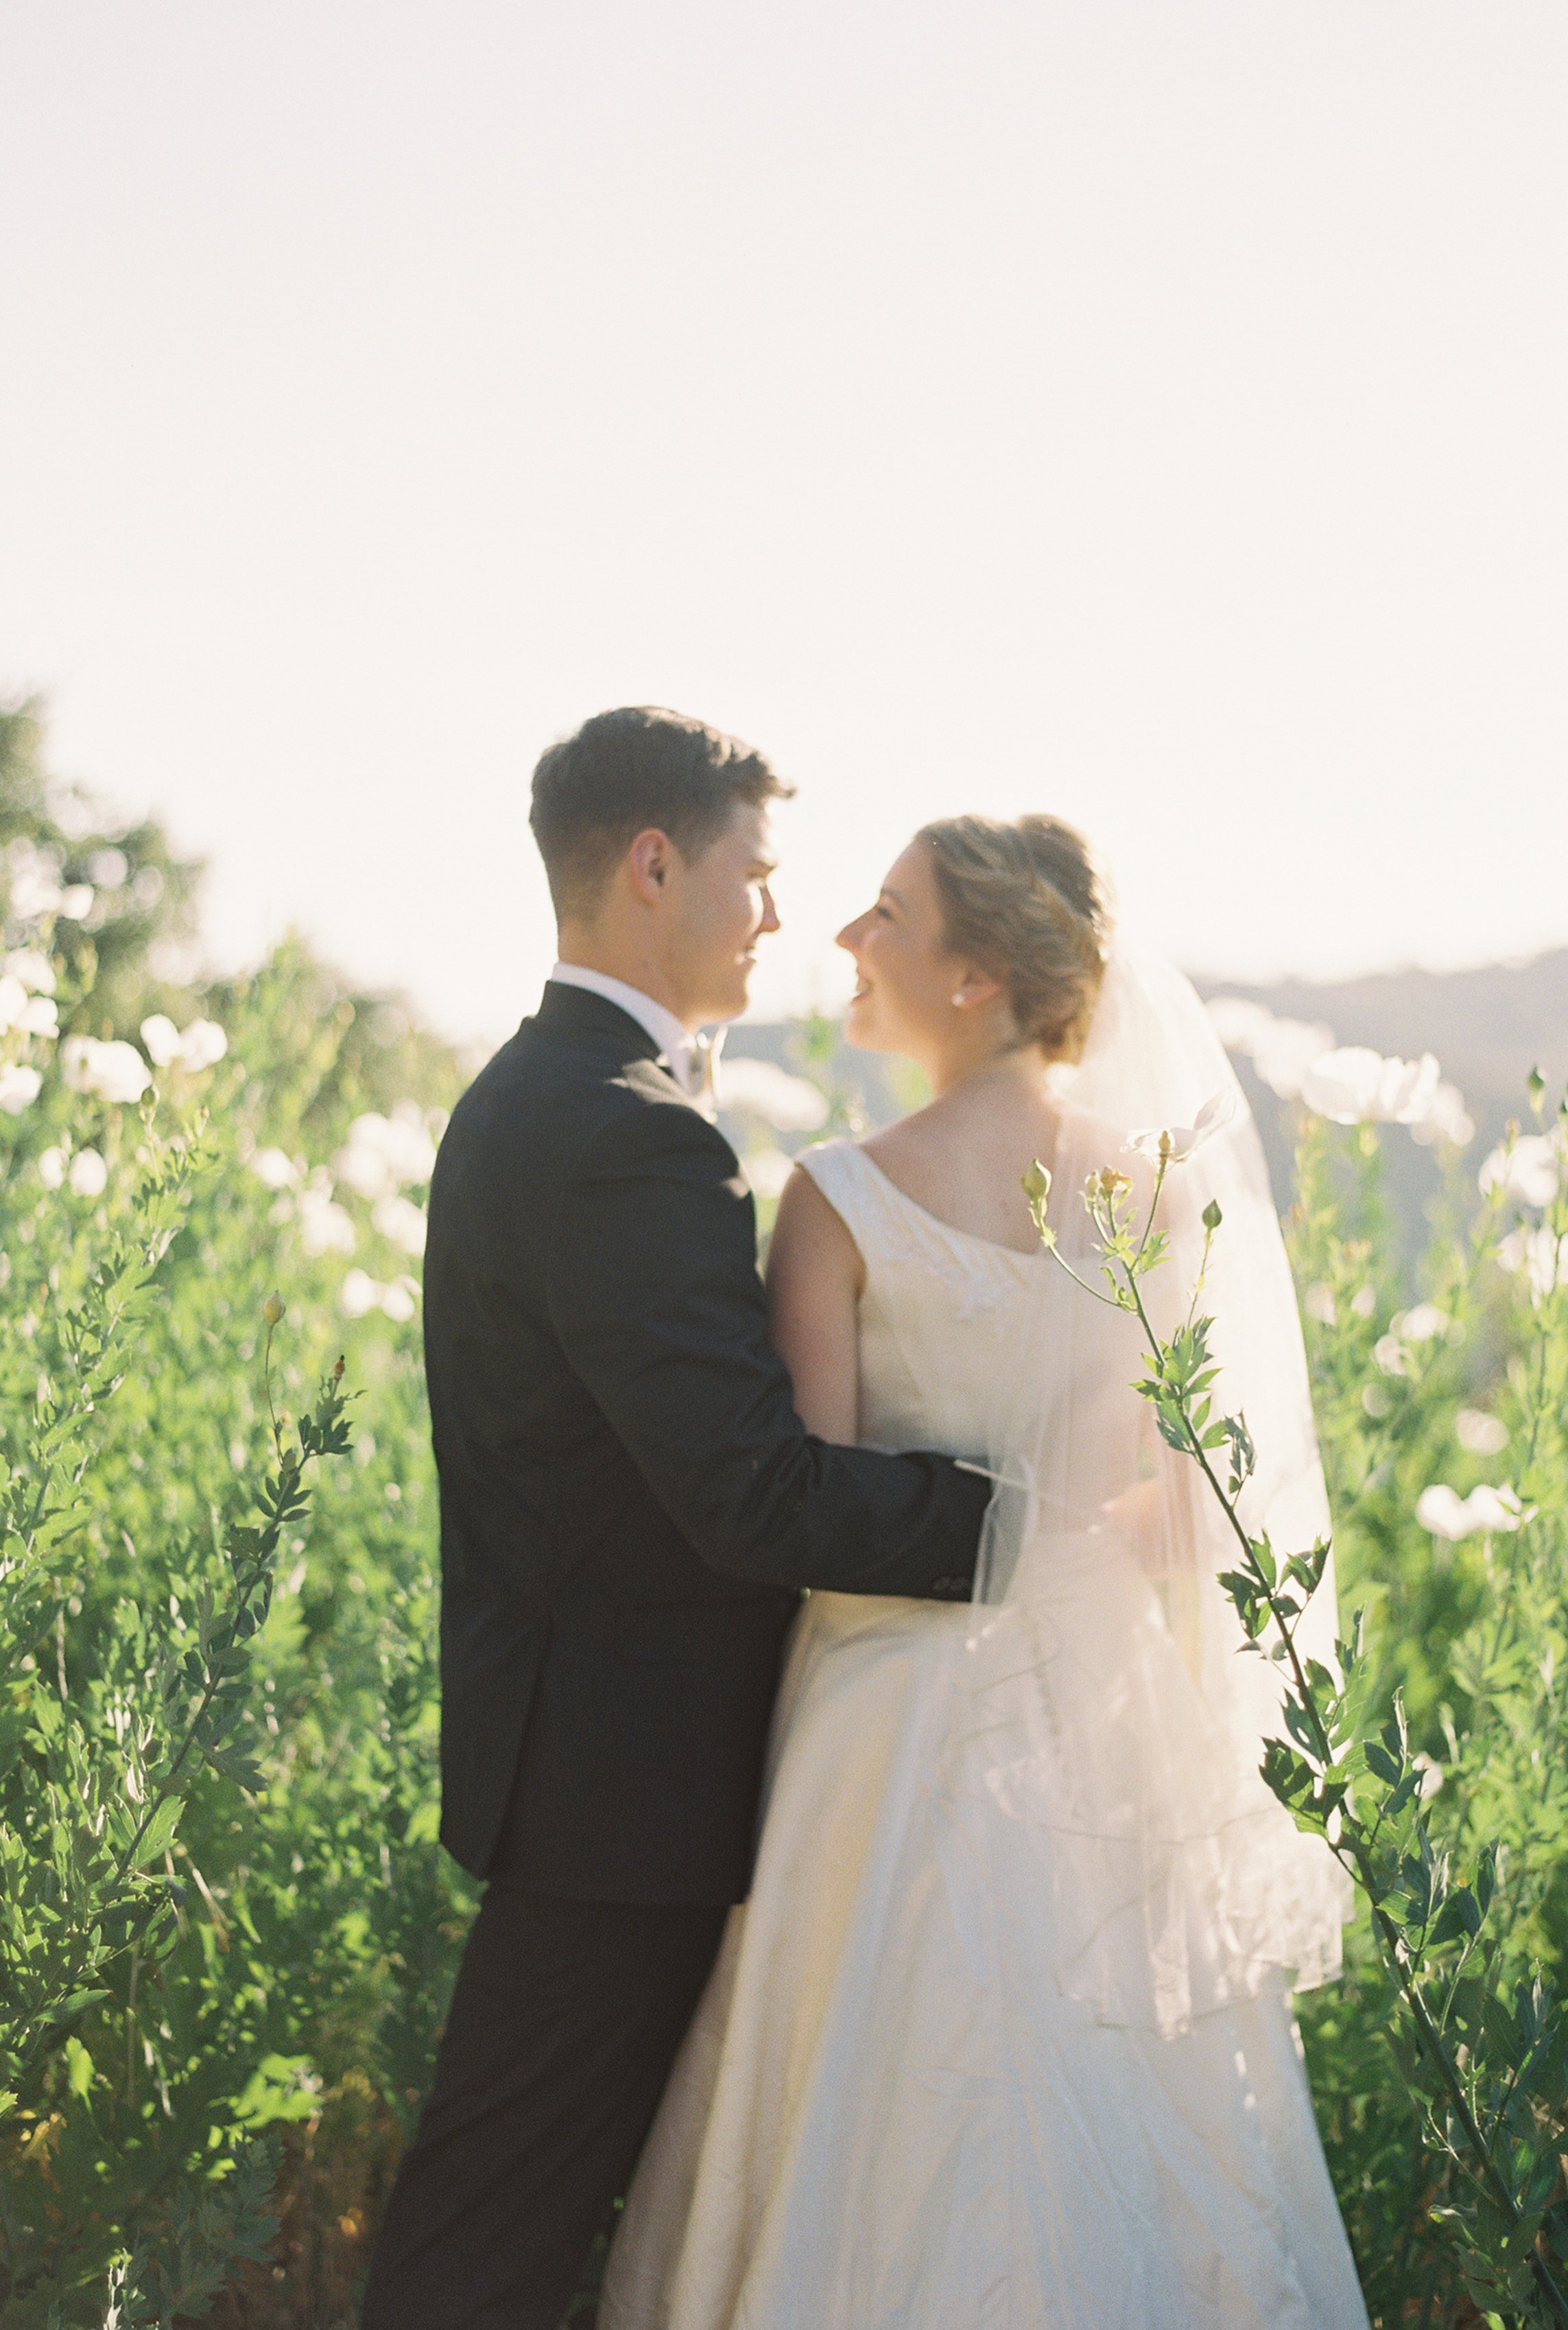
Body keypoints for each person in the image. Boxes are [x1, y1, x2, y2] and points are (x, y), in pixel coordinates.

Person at [599, 814, 1370, 2329]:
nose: (843, 939)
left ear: (970, 976)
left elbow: (805, 1510)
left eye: (885, 914)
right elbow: (1187, 1509)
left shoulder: (837, 1196)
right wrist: (1068, 1544)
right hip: (1105, 1720)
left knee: (862, 2098)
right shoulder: (1154, 1194)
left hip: (878, 1722)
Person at [360, 709, 991, 2330]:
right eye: (754, 877)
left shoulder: (549, 1093)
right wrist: (1003, 1522)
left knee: (513, 2215)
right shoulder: (621, 1130)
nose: (777, 919)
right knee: (491, 2238)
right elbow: (749, 1493)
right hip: (620, 1793)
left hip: (596, 1772)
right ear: (654, 865)